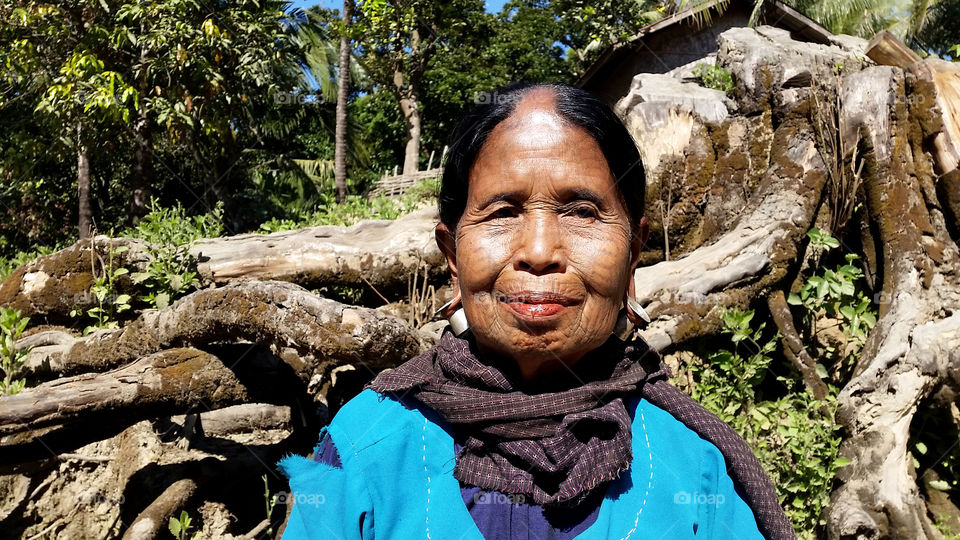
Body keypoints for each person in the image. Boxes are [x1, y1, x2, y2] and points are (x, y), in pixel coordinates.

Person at [276, 82, 794, 540]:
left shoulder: (690, 466)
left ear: (633, 255)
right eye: (502, 212)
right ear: (453, 256)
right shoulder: (366, 448)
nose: (540, 251)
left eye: (581, 212)